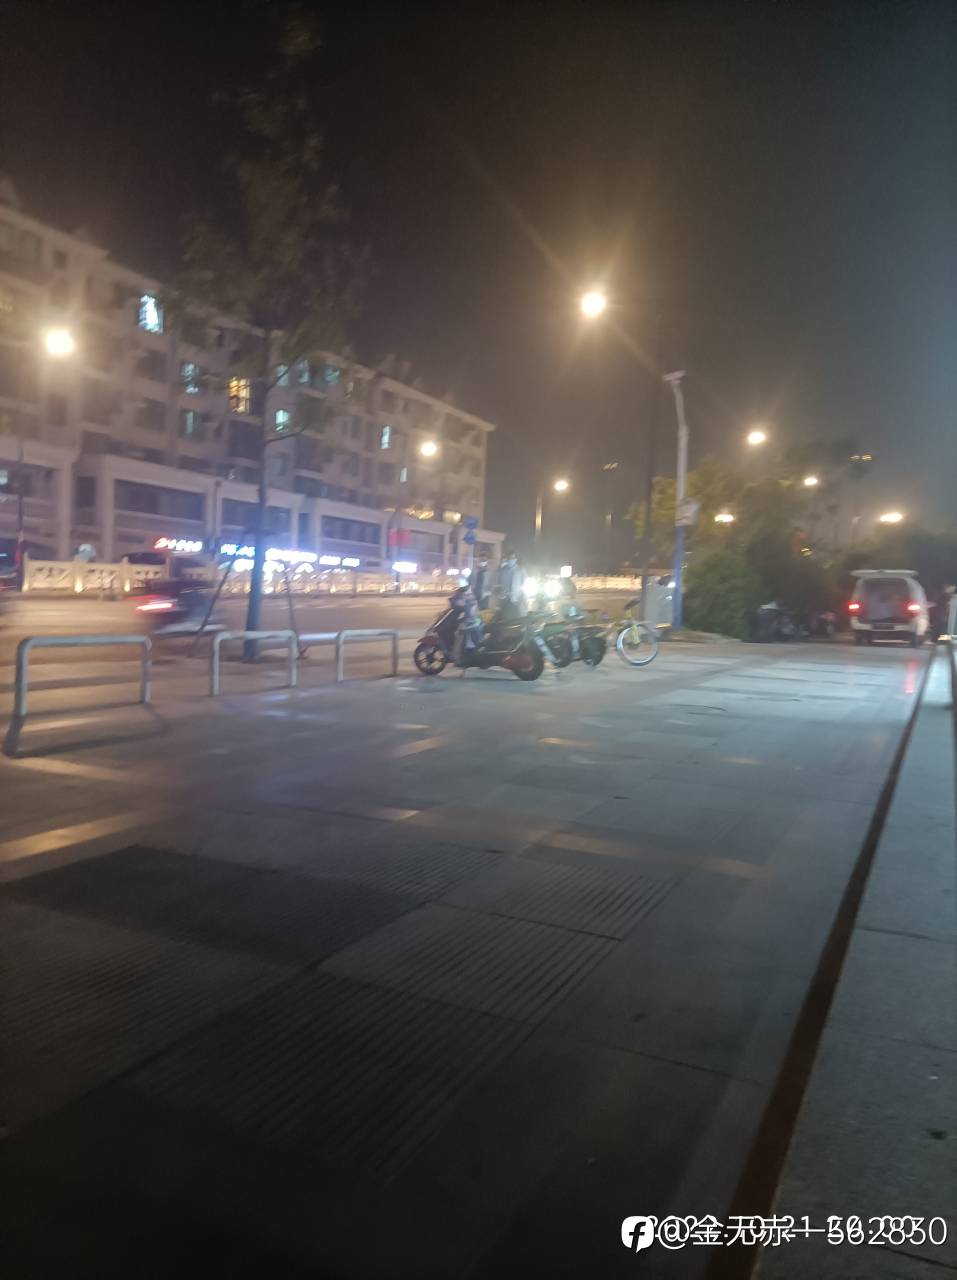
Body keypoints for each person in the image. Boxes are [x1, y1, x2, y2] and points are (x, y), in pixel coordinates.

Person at [494, 549, 527, 620]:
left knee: (515, 617)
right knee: (503, 617)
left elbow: (523, 582)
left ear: (515, 559)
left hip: (515, 598)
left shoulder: (520, 570)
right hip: (504, 598)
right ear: (507, 559)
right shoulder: (502, 570)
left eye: (512, 558)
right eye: (509, 558)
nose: (510, 560)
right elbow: (498, 582)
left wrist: (518, 593)